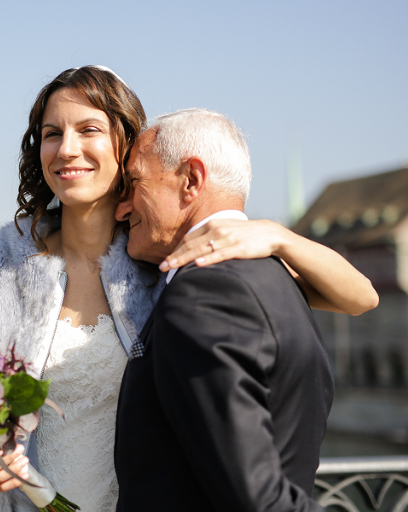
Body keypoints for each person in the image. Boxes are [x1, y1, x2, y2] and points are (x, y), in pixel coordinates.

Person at [0, 67, 377, 512]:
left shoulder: (170, 256)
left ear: (127, 147)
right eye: (52, 133)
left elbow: (359, 297)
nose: (67, 148)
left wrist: (278, 237)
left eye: (88, 130)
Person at [113, 108, 334, 512]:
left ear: (191, 180)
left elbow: (258, 499)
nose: (121, 209)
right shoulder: (280, 277)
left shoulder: (201, 294)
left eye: (134, 183)